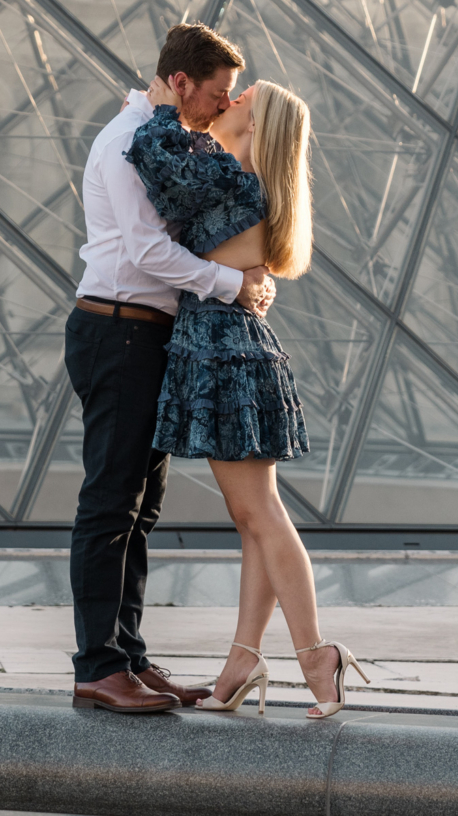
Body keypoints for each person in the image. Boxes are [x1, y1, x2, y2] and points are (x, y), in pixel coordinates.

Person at [125, 74, 368, 720]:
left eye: (242, 99)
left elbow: (158, 168)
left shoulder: (235, 181)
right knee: (254, 514)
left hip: (224, 352)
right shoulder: (246, 181)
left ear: (257, 128)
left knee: (259, 514)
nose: (228, 101)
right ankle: (242, 658)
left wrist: (156, 110)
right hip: (230, 345)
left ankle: (318, 653)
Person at [66, 23, 274, 715]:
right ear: (180, 81)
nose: (223, 106)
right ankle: (98, 664)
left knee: (140, 506)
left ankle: (126, 653)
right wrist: (230, 285)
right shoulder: (130, 141)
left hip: (143, 335)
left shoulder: (164, 141)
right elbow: (149, 252)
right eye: (216, 93)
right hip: (117, 328)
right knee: (110, 504)